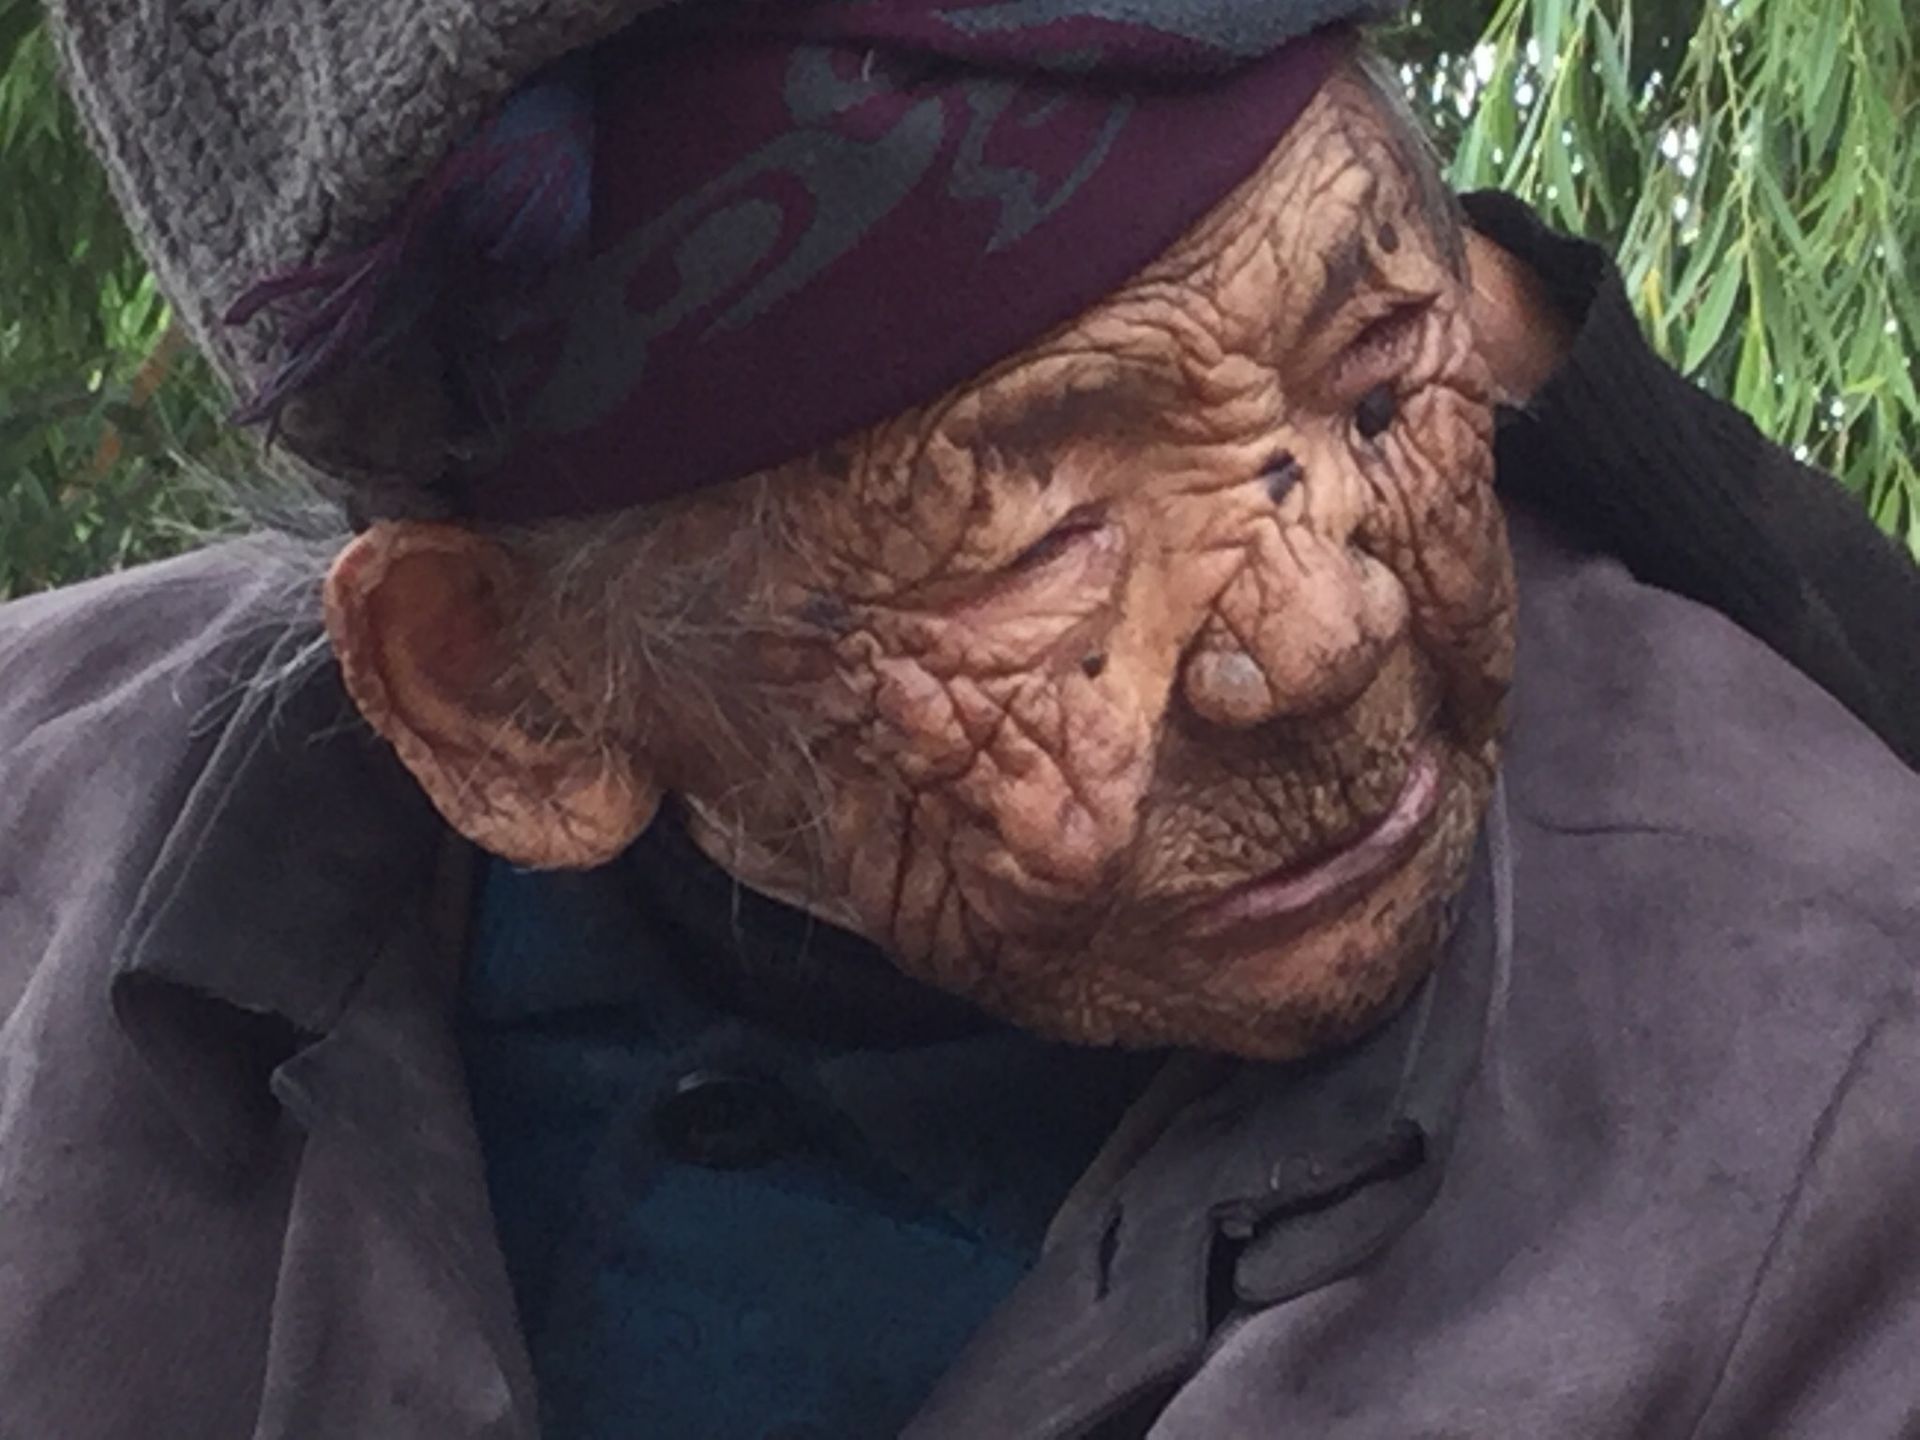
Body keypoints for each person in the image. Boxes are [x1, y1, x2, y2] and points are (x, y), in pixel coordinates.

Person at [5, 1, 1920, 1436]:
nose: (1325, 634)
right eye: (1045, 540)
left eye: (1376, 378)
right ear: (508, 696)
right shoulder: (41, 856)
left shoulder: (1818, 1088)